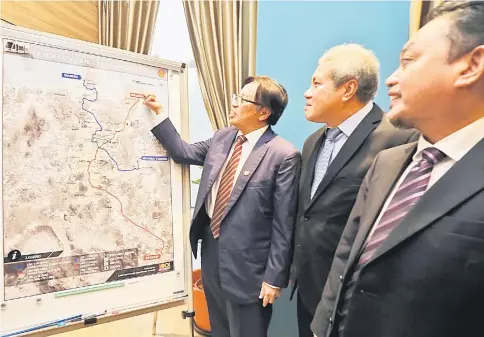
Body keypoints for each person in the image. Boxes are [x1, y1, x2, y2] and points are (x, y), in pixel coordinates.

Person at [311, 2, 484, 337]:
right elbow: (346, 256)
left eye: (408, 61)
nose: (392, 79)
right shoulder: (388, 164)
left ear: (471, 65)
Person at [144, 76, 301, 337]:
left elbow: (284, 224)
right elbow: (184, 152)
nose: (234, 104)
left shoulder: (283, 154)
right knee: (220, 329)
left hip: (250, 266)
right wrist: (160, 114)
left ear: (264, 112)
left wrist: (274, 278)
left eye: (242, 100)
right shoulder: (224, 137)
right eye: (236, 97)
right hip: (213, 251)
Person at [290, 43, 417, 337]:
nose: (307, 93)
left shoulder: (399, 139)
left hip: (355, 299)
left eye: (316, 84)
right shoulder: (313, 142)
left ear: (348, 89)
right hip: (309, 291)